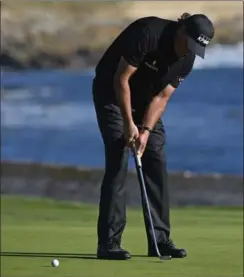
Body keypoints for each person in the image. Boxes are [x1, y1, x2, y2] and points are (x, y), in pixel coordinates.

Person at [92, 13, 214, 260]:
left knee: (155, 156)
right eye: (188, 44)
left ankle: (160, 239)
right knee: (118, 156)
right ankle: (109, 243)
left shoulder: (186, 59)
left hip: (145, 100)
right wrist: (128, 125)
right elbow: (121, 79)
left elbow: (162, 97)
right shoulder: (148, 33)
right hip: (112, 94)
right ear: (181, 30)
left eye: (195, 48)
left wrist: (145, 131)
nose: (188, 52)